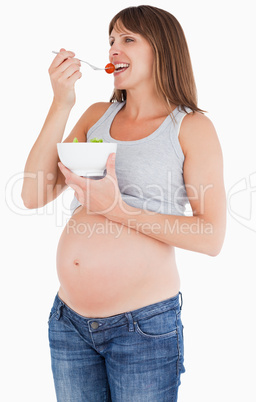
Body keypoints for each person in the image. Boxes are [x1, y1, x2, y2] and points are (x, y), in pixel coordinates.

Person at [21, 5, 226, 402]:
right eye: (111, 40)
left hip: (143, 329)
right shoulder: (97, 114)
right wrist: (62, 102)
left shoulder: (191, 127)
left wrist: (116, 208)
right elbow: (32, 195)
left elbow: (211, 236)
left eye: (128, 39)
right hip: (69, 323)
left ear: (163, 50)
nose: (114, 48)